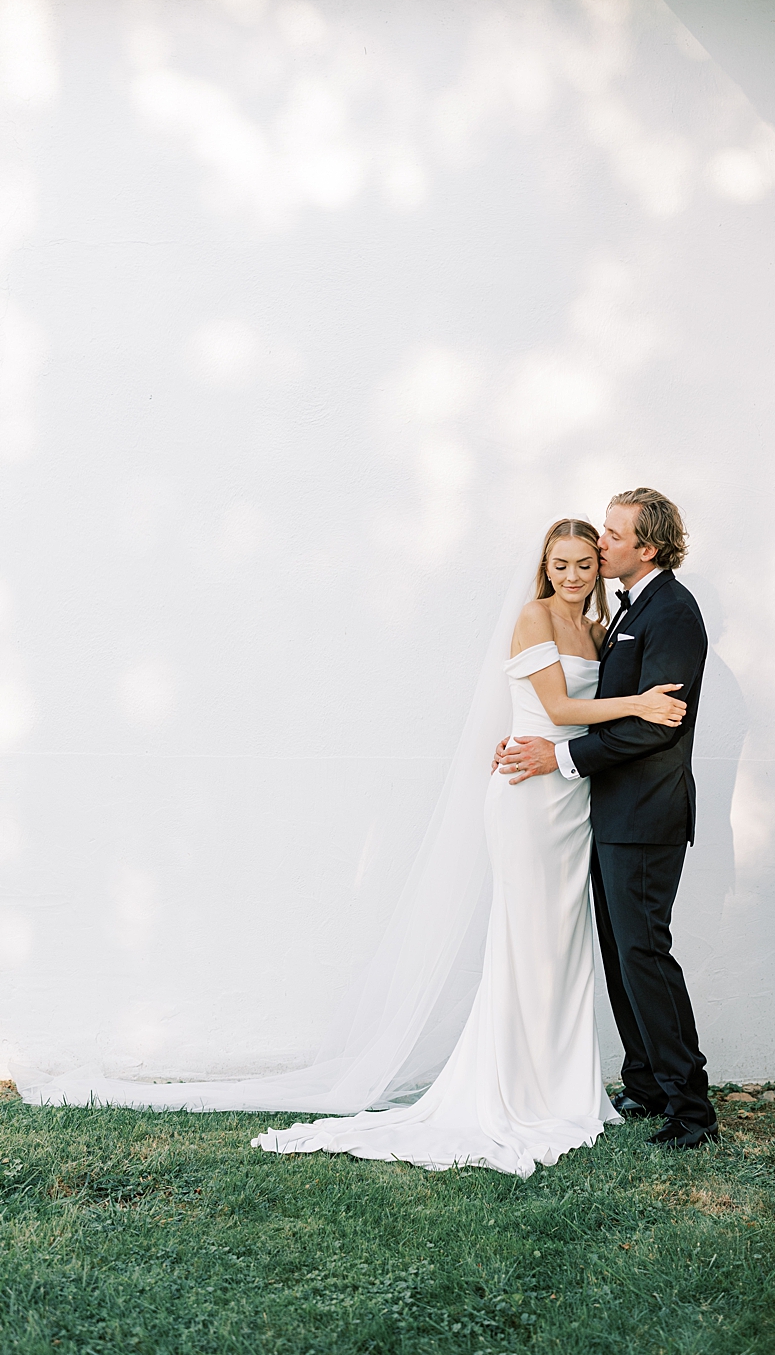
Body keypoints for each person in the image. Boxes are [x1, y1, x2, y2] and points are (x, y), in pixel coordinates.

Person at [253, 518, 685, 1176]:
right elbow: (560, 711)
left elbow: (584, 721)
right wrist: (641, 704)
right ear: (546, 567)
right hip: (526, 799)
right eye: (561, 564)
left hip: (572, 802)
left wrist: (635, 710)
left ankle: (563, 1088)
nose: (573, 576)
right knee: (523, 939)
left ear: (600, 568)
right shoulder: (534, 617)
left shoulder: (598, 632)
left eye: (584, 565)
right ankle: (510, 1088)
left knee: (564, 948)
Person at [497, 488, 717, 1150]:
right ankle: (646, 1085)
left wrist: (558, 757)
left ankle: (691, 1111)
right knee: (624, 956)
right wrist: (524, 735)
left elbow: (655, 728)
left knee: (644, 956)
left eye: (612, 537)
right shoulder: (625, 611)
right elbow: (600, 703)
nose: (600, 547)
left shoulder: (672, 613)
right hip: (606, 812)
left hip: (646, 816)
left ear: (645, 548)